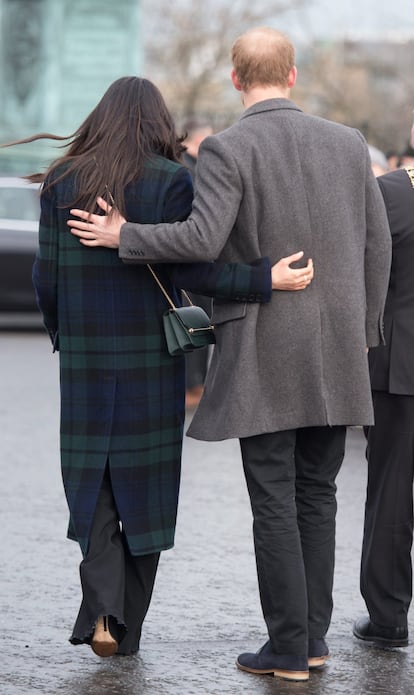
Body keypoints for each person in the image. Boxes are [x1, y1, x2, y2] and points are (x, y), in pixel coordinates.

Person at [67, 28, 392, 682]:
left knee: (274, 498)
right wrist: (365, 327)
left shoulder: (228, 147)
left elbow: (201, 237)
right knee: (318, 494)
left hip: (266, 346)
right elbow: (377, 244)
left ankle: (289, 649)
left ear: (237, 80)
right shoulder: (349, 144)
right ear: (293, 75)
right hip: (336, 346)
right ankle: (314, 640)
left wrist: (124, 232)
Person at [2, 76, 314, 660]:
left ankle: (103, 610)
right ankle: (127, 628)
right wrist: (261, 280)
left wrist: (61, 334)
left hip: (88, 360)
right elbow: (196, 269)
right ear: (155, 123)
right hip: (152, 358)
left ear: (100, 117)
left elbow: (46, 277)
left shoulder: (63, 182)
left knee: (91, 482)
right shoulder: (173, 181)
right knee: (145, 494)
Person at [353, 164, 414, 649]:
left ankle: (389, 615)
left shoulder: (392, 192)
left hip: (402, 365)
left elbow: (358, 263)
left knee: (391, 489)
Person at [181, 120, 214, 409]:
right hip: (191, 262)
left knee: (197, 325)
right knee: (194, 325)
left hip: (192, 261)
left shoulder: (188, 167)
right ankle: (192, 386)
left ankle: (196, 384)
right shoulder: (186, 171)